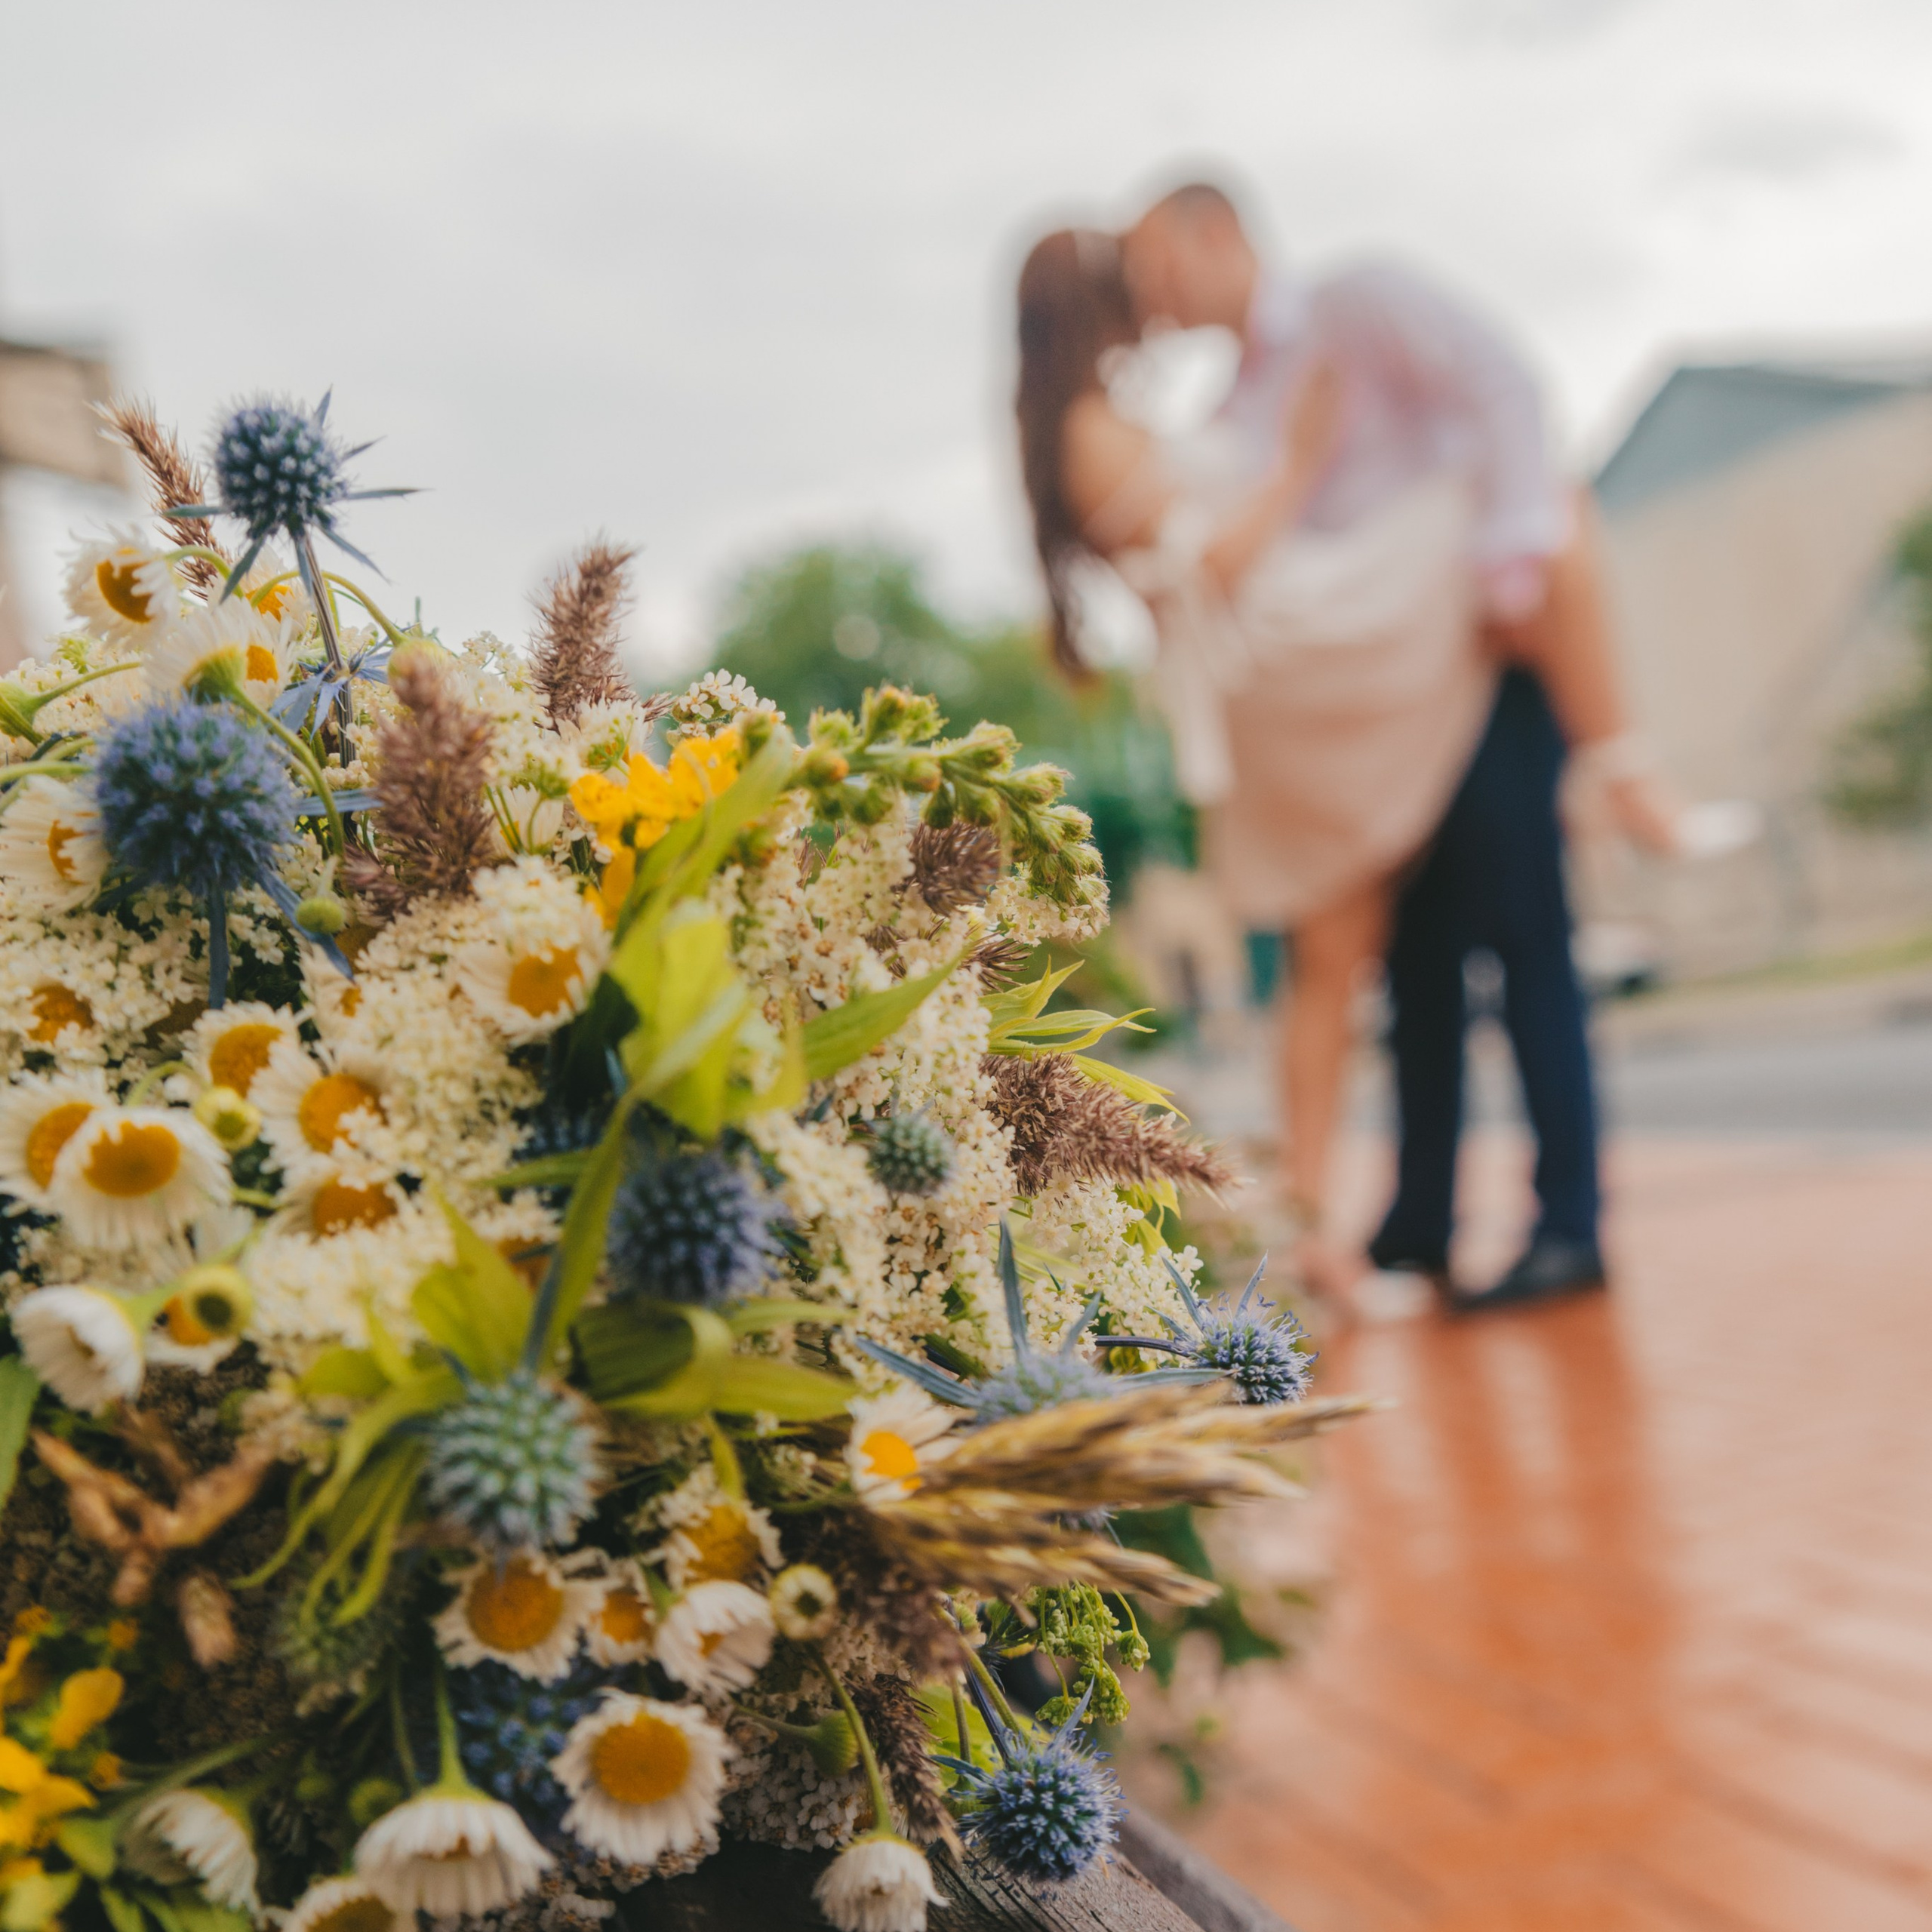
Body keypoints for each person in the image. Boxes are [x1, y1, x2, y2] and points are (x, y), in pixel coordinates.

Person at [1016, 187, 1669, 1308]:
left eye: (1156, 269)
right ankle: (1622, 767)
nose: (1153, 300)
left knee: (1351, 949)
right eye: (1130, 282)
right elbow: (1206, 571)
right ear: (1096, 305)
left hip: (1323, 657)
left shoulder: (1287, 345)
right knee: (1534, 522)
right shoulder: (1108, 428)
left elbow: (1492, 388)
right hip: (1309, 653)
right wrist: (1302, 466)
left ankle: (1339, 1231)